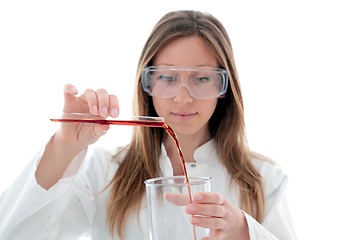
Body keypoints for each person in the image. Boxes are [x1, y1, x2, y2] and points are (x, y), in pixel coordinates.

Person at [0, 10, 297, 239]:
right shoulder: (103, 172)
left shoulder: (263, 179)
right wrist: (66, 146)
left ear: (225, 86)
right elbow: (15, 233)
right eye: (168, 77)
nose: (183, 99)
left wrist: (245, 231)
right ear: (147, 84)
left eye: (202, 78)